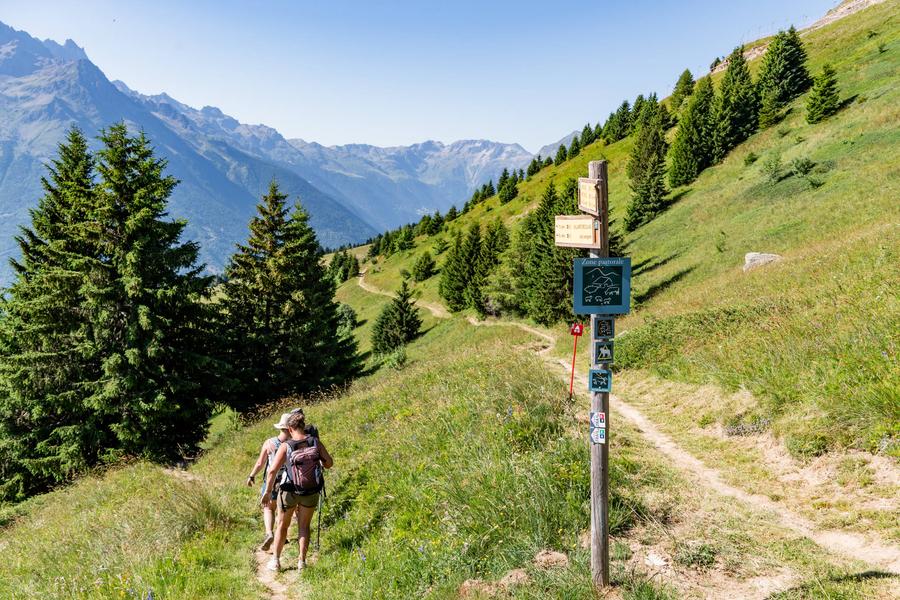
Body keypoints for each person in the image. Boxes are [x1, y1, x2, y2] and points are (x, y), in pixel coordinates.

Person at [262, 410, 333, 572]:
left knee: (282, 526)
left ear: (290, 428)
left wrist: (267, 492)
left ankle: (276, 561)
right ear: (303, 425)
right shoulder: (315, 441)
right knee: (304, 526)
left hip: (289, 491)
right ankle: (302, 561)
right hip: (311, 491)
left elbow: (272, 471)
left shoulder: (286, 446)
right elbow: (329, 463)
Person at [246, 413, 292, 550]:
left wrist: (252, 475)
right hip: (288, 480)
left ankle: (269, 533)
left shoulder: (270, 443)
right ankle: (280, 535)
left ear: (280, 427)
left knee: (268, 507)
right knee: (281, 509)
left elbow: (261, 462)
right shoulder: (293, 443)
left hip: (271, 480)